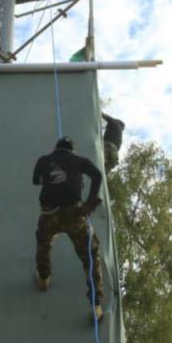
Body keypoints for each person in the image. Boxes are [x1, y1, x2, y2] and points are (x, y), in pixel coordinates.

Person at [32, 137, 105, 320]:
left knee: (44, 241)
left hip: (50, 214)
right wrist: (90, 201)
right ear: (72, 150)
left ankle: (44, 278)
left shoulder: (43, 160)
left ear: (56, 148)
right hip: (74, 213)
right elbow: (97, 175)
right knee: (90, 253)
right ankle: (96, 305)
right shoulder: (79, 161)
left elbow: (36, 181)